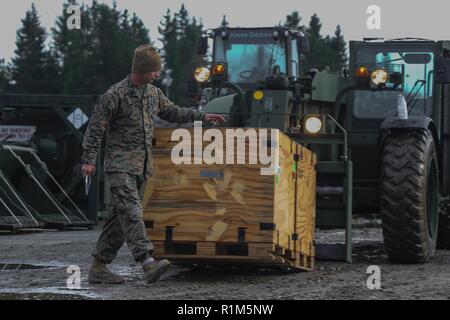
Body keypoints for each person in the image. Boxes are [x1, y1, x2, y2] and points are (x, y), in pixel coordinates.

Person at [81, 44, 225, 284]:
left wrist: (202, 116)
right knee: (133, 213)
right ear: (141, 69)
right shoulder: (114, 95)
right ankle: (147, 263)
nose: (157, 75)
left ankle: (98, 267)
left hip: (142, 167)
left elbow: (172, 112)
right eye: (154, 71)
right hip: (120, 165)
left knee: (120, 219)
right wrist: (88, 160)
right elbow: (95, 128)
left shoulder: (153, 93)